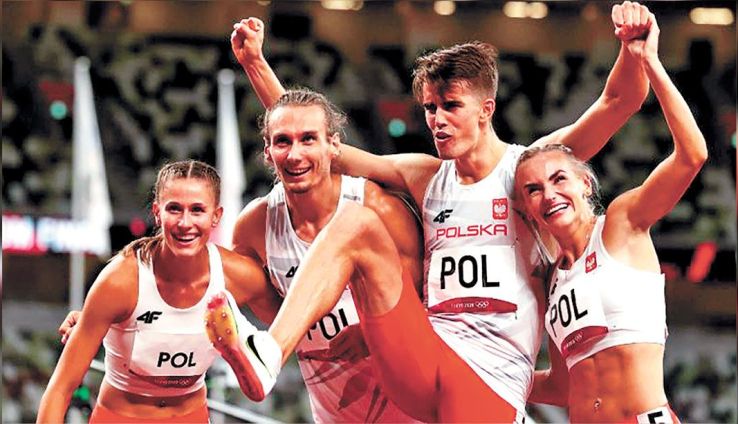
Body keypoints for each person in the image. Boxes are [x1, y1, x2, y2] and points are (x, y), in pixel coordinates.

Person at [217, 2, 651, 422]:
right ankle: (270, 352)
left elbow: (618, 101)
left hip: (491, 377)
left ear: (486, 110)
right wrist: (255, 64)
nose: (438, 120)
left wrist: (634, 46)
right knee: (354, 220)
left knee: (357, 219)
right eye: (430, 108)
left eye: (451, 106)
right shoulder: (425, 176)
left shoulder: (528, 173)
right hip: (431, 359)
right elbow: (319, 144)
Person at [58, 92, 424, 422]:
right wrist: (101, 318)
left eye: (308, 139)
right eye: (283, 141)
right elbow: (216, 302)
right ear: (267, 151)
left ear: (334, 145)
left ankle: (270, 357)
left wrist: (368, 333)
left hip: (410, 399)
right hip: (335, 408)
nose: (295, 154)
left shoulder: (378, 210)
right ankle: (268, 357)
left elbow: (430, 307)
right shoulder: (255, 227)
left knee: (354, 225)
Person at [518, 14, 705, 422]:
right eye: (533, 189)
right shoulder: (552, 279)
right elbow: (563, 388)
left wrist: (651, 63)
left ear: (585, 184)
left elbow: (692, 155)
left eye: (559, 179)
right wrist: (489, 368)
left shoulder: (622, 222)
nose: (549, 195)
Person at [38, 160, 276, 423]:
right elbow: (60, 389)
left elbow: (296, 324)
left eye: (197, 210)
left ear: (216, 216)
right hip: (120, 417)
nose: (185, 223)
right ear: (157, 212)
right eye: (174, 209)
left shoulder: (238, 276)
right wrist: (95, 316)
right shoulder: (121, 281)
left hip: (190, 417)